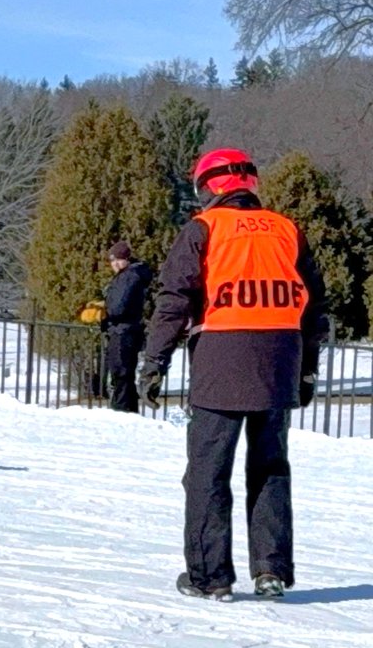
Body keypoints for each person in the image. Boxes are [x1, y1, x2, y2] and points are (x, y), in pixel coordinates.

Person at [139, 148, 328, 601]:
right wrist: (307, 371)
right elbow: (314, 308)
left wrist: (154, 362)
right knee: (270, 467)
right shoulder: (287, 229)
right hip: (280, 361)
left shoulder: (204, 228)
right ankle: (271, 572)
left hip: (221, 362)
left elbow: (174, 301)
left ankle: (210, 577)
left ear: (208, 187)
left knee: (208, 471)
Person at [102, 240, 152, 413]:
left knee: (121, 373)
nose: (115, 264)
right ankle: (128, 410)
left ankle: (122, 410)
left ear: (127, 259)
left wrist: (104, 312)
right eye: (112, 260)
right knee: (124, 374)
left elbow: (119, 306)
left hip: (123, 331)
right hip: (125, 329)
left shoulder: (129, 276)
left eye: (118, 259)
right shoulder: (128, 275)